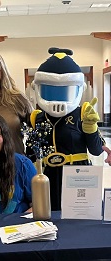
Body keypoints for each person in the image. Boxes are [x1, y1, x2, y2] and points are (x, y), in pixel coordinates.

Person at [26, 47, 111, 211]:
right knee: (48, 216)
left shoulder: (83, 114)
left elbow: (95, 150)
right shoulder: (36, 118)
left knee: (79, 219)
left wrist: (90, 128)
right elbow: (30, 155)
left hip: (78, 175)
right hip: (46, 177)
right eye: (50, 90)